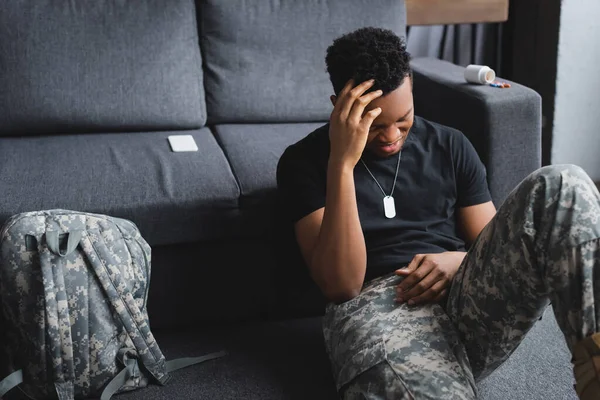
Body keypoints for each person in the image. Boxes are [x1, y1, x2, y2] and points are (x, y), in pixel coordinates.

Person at [276, 27, 600, 399]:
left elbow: (493, 249)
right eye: (375, 125)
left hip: (463, 293)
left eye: (404, 119)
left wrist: (459, 262)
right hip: (376, 309)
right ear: (339, 106)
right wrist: (342, 164)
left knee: (563, 183)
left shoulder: (450, 145)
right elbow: (342, 285)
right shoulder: (304, 163)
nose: (391, 136)